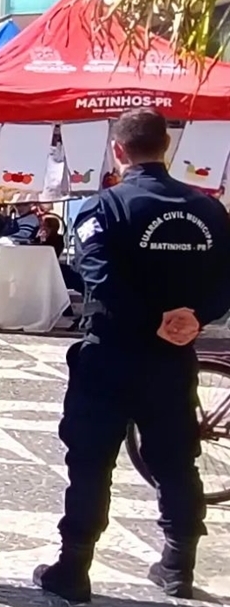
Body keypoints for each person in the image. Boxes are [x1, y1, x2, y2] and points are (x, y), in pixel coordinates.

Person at [34, 108, 230, 603]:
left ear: (118, 151)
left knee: (91, 461)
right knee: (176, 461)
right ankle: (178, 565)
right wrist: (195, 316)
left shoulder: (104, 208)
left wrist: (154, 319)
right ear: (166, 147)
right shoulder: (209, 209)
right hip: (173, 357)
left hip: (113, 356)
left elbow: (98, 277)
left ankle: (74, 567)